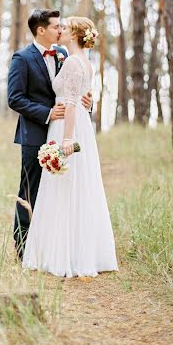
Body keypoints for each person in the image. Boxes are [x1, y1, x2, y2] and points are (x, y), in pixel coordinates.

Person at [22, 16, 118, 277]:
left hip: (68, 126)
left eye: (64, 28)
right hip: (70, 125)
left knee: (66, 187)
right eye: (58, 26)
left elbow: (73, 102)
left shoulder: (74, 62)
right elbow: (80, 96)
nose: (60, 30)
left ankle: (67, 254)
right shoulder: (79, 60)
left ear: (74, 34)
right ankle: (68, 249)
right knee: (71, 186)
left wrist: (66, 139)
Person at [7, 9, 92, 260]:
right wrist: (48, 113)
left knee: (59, 191)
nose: (60, 29)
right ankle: (23, 247)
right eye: (56, 26)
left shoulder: (65, 54)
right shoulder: (22, 58)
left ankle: (51, 246)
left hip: (61, 132)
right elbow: (15, 98)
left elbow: (73, 91)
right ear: (41, 30)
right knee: (30, 191)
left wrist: (87, 100)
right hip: (35, 134)